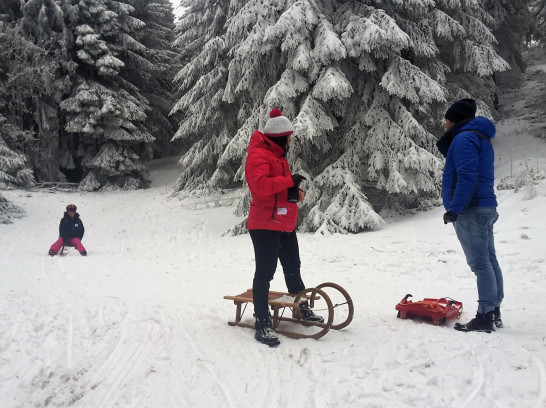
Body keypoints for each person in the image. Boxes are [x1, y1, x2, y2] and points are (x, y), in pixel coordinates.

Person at [245, 108, 323, 347]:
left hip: (283, 223)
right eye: (288, 137)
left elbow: (276, 190)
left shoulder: (278, 158)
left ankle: (301, 308)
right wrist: (289, 180)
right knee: (265, 273)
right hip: (264, 224)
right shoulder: (258, 155)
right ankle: (262, 322)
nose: (290, 140)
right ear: (279, 136)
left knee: (292, 267)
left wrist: (294, 192)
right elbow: (259, 186)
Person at [437, 99, 504, 333]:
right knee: (489, 260)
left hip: (471, 209)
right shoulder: (480, 137)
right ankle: (494, 310)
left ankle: (485, 316)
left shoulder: (464, 138)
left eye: (446, 119)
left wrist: (455, 208)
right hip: (485, 206)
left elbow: (467, 175)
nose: (444, 124)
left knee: (480, 264)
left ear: (454, 120)